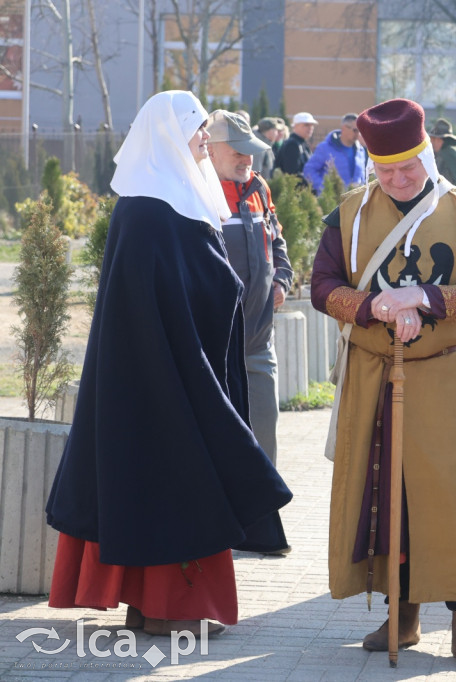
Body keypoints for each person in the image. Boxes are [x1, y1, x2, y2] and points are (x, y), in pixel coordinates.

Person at [45, 91, 293, 637]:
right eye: (196, 128)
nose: (205, 137)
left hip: (175, 368)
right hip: (159, 378)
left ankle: (148, 605)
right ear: (167, 135)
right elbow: (157, 299)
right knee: (175, 481)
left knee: (162, 481)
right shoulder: (147, 209)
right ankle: (168, 609)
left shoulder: (173, 197)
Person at [310, 98, 456, 670]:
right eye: (384, 170)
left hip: (444, 374)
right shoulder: (350, 213)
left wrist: (424, 297)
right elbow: (322, 285)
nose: (396, 180)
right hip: (374, 376)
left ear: (427, 155)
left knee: (453, 494)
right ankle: (404, 612)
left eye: (407, 168)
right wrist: (375, 306)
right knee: (388, 496)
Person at [207, 111, 295, 530]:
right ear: (210, 150)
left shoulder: (258, 187)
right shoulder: (197, 192)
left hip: (258, 337)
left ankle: (261, 523)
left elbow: (277, 240)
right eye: (238, 152)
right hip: (214, 343)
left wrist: (282, 278)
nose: (247, 159)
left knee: (264, 427)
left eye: (251, 152)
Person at [303, 112, 368, 193]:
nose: (358, 134)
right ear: (344, 128)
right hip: (331, 199)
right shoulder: (325, 148)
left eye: (360, 131)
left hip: (354, 198)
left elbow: (362, 176)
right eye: (355, 130)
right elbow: (309, 170)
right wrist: (325, 188)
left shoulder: (360, 150)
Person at [429, 118, 456, 189]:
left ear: (441, 139)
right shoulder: (455, 151)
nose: (432, 142)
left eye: (434, 139)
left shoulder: (449, 154)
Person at [276, 111, 317, 177]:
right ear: (295, 126)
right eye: (306, 125)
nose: (310, 128)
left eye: (312, 125)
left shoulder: (301, 143)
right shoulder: (292, 145)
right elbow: (292, 174)